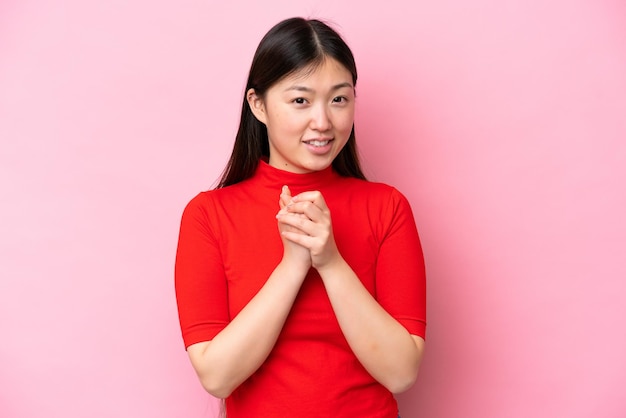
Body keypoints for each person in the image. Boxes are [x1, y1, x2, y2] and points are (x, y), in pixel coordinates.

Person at [174, 17, 426, 418]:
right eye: (300, 100)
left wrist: (330, 261)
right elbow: (218, 377)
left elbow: (401, 372)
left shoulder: (387, 208)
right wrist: (293, 265)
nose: (323, 122)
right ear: (258, 105)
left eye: (339, 99)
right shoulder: (209, 216)